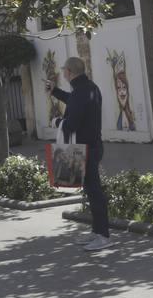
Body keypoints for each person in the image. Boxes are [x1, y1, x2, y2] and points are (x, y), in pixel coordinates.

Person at [47, 57, 109, 251]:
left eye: (64, 70)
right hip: (92, 146)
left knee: (94, 192)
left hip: (86, 149)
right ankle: (97, 232)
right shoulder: (90, 88)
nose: (63, 73)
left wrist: (57, 123)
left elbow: (72, 123)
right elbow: (74, 102)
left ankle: (103, 235)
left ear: (70, 72)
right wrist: (55, 91)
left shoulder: (81, 91)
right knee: (92, 191)